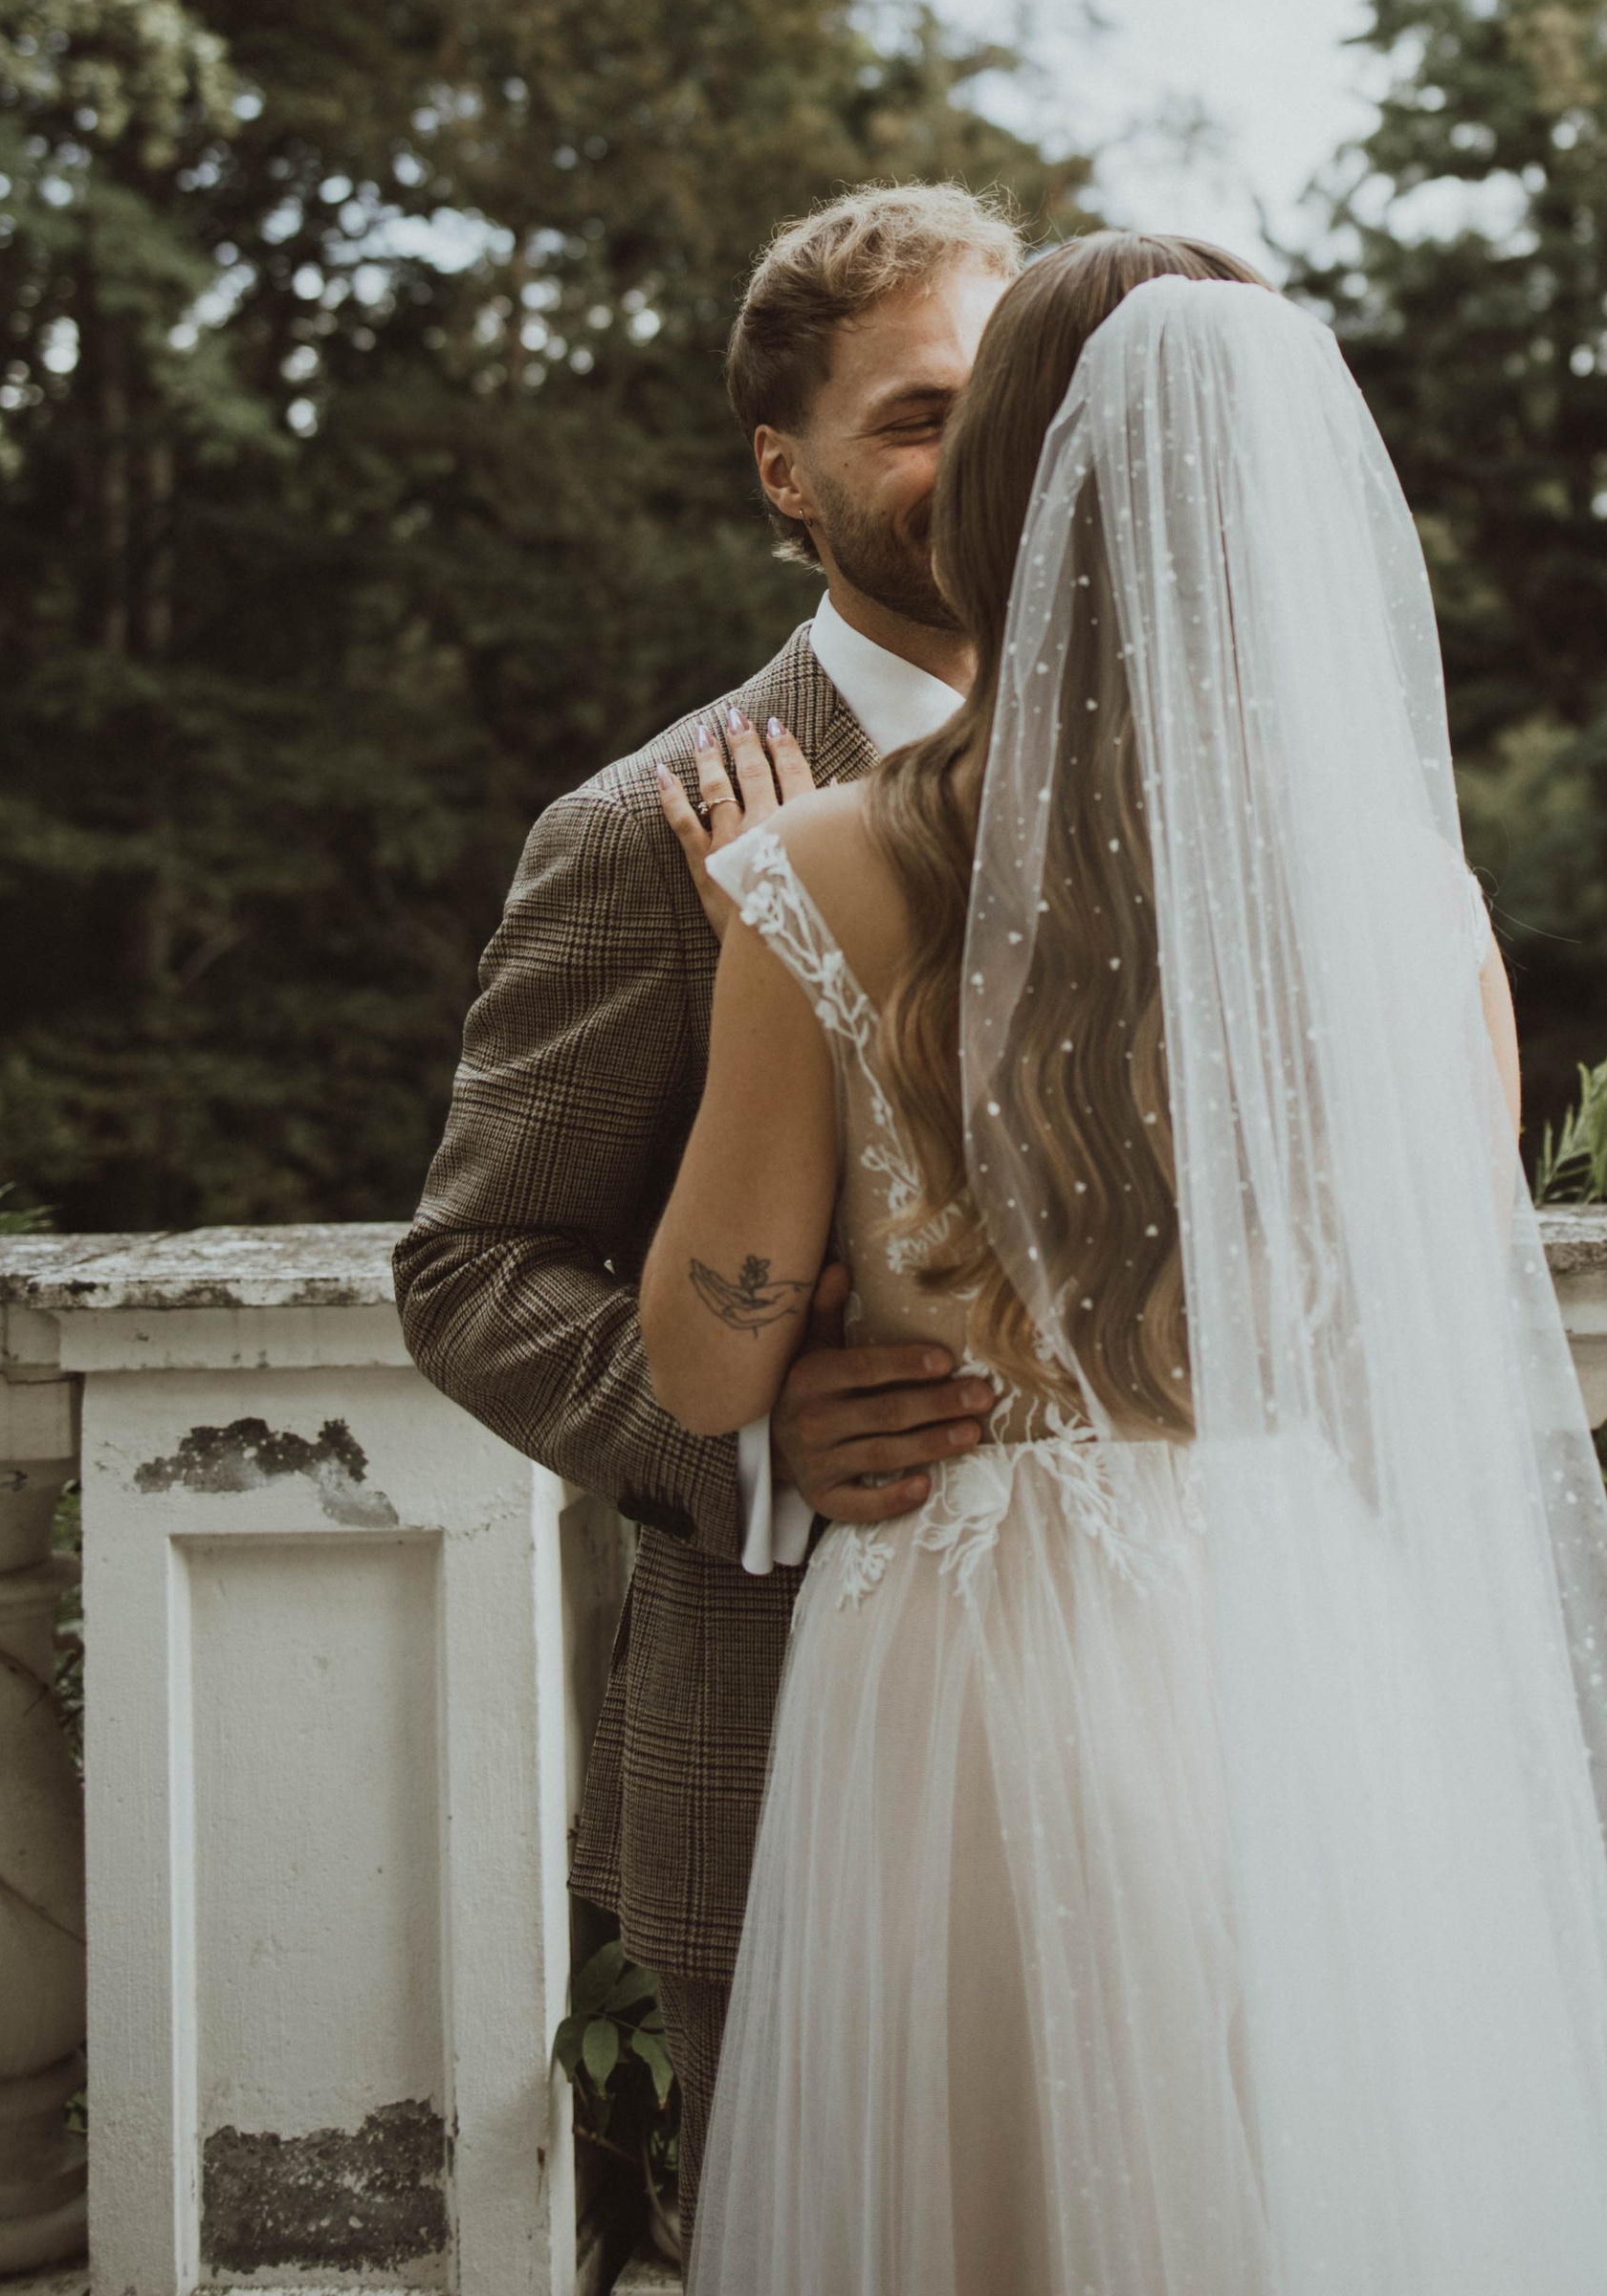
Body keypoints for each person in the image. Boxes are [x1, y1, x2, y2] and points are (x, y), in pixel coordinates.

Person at [642, 233, 1607, 2296]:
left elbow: (704, 1364)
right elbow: (1411, 1349)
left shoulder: (811, 870)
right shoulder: (1412, 904)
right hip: (1303, 1642)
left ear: (1002, 502)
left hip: (966, 1669)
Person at [393, 180, 1028, 2234]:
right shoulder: (642, 829)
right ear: (790, 472)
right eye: (915, 414)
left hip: (1131, 1718)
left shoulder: (1160, 792)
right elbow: (472, 1263)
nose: (973, 455)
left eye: (1001, 402)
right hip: (781, 1734)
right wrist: (739, 1427)